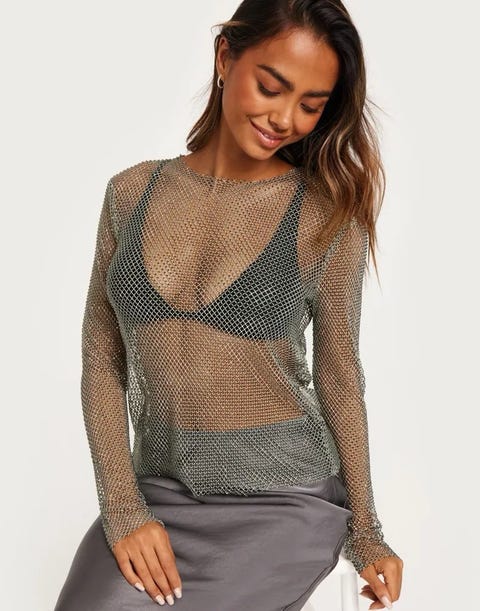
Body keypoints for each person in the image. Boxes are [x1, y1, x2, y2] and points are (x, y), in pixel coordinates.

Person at [54, 1, 404, 609]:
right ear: (225, 57)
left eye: (311, 105)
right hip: (157, 496)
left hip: (285, 503)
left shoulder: (325, 213)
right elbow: (102, 363)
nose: (285, 118)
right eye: (271, 87)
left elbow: (339, 373)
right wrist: (123, 508)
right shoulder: (131, 194)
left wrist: (367, 533)